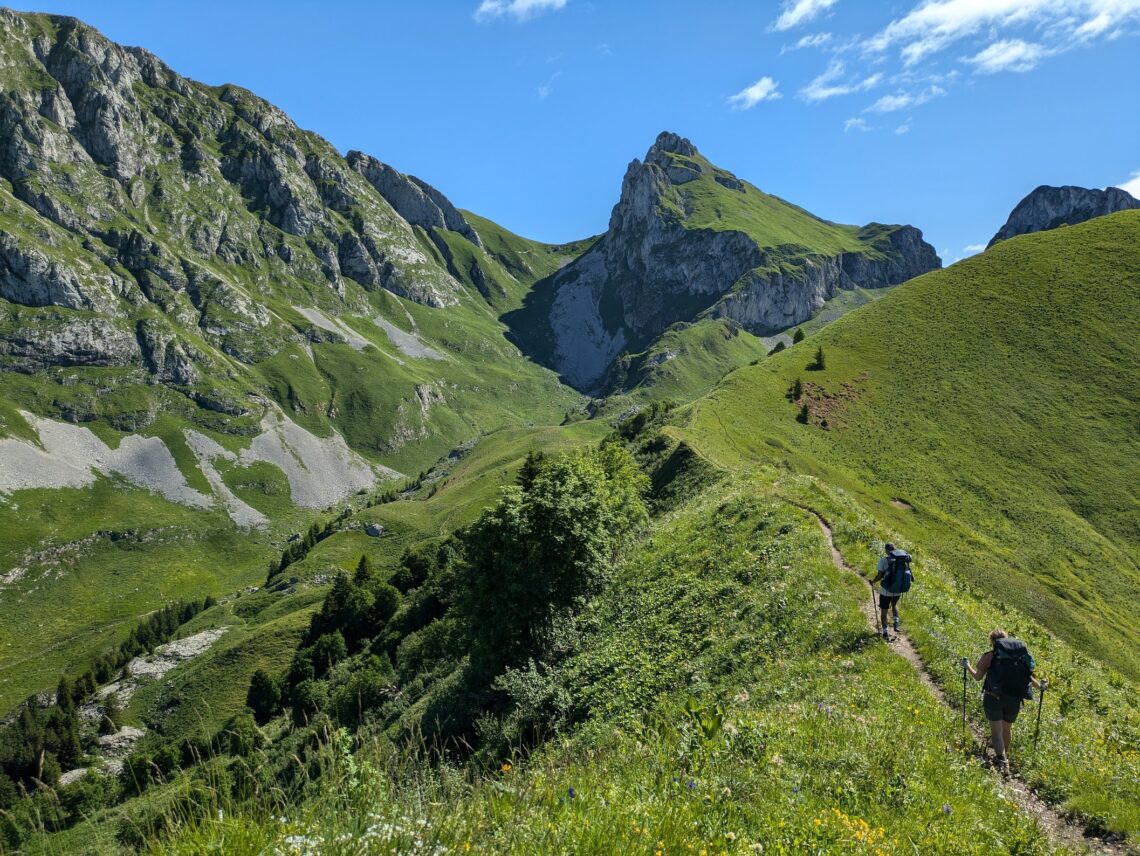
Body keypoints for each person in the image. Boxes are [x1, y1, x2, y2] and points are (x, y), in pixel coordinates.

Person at [963, 629, 1047, 775]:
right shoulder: (1021, 659)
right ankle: (1003, 755)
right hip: (1014, 699)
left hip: (993, 697)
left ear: (993, 642)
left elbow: (977, 677)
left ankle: (1002, 762)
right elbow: (1028, 678)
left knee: (996, 733)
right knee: (1007, 729)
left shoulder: (989, 656)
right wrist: (1041, 686)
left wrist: (967, 665)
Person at [870, 542, 908, 639]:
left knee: (884, 612)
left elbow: (880, 576)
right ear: (895, 549)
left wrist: (873, 581)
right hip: (898, 590)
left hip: (886, 592)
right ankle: (896, 623)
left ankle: (885, 632)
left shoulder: (884, 560)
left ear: (886, 550)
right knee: (894, 605)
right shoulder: (901, 560)